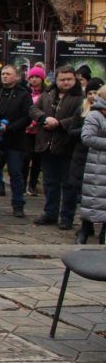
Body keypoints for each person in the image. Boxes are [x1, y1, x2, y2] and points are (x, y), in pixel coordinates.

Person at [29, 65, 85, 230]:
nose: (65, 82)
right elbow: (33, 109)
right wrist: (44, 118)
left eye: (69, 79)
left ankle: (67, 217)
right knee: (50, 182)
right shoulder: (48, 94)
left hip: (67, 146)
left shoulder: (80, 98)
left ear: (75, 80)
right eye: (62, 79)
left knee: (68, 185)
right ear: (56, 80)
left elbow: (81, 117)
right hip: (46, 145)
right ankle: (50, 213)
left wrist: (59, 123)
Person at [0, 64, 31, 217]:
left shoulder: (24, 95)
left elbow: (27, 117)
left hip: (15, 139)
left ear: (16, 77)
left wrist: (9, 128)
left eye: (8, 74)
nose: (5, 76)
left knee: (15, 172)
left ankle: (18, 204)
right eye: (3, 73)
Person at [75, 86, 106, 244]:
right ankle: (85, 231)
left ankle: (103, 236)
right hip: (98, 165)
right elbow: (87, 137)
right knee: (94, 200)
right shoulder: (95, 115)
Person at [24, 66, 47, 195]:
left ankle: (32, 185)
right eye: (31, 77)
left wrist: (35, 122)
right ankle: (22, 184)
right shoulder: (26, 93)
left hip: (40, 131)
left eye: (37, 77)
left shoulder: (46, 94)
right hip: (27, 132)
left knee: (37, 160)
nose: (34, 79)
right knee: (25, 158)